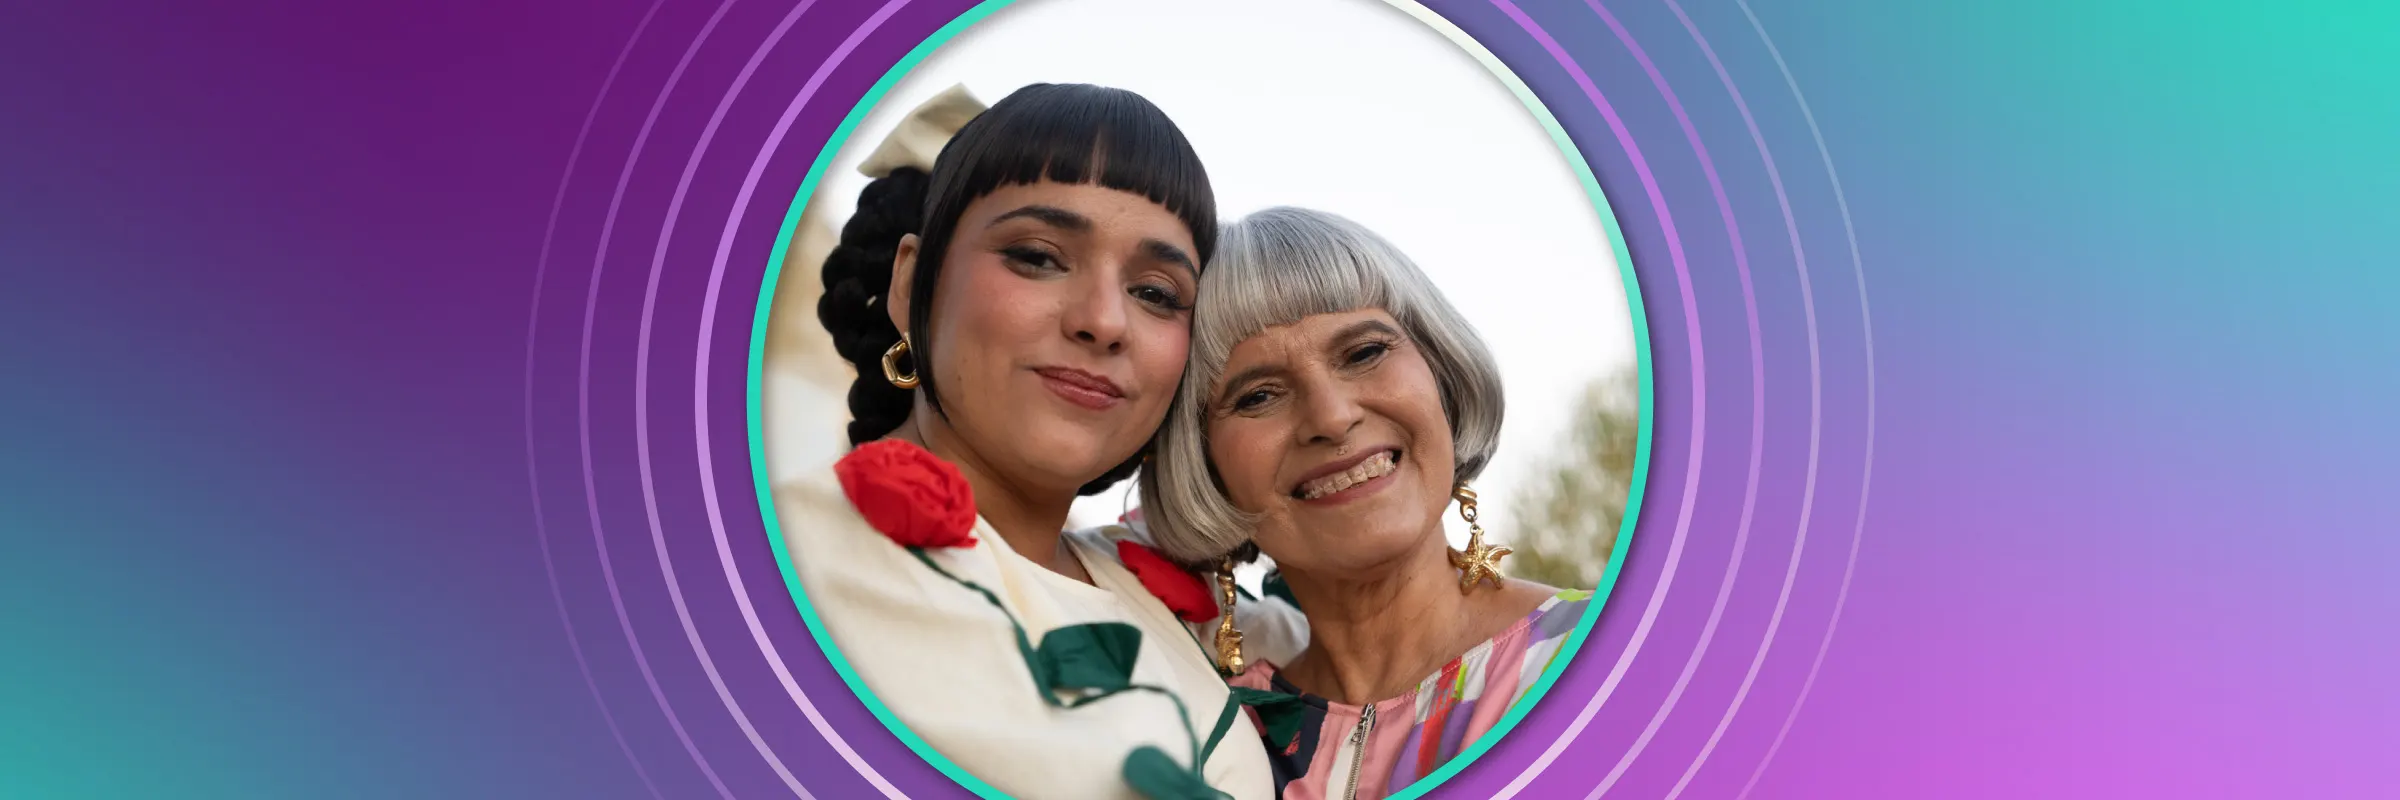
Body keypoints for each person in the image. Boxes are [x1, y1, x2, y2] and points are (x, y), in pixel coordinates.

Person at [780, 83, 1273, 800]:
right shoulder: (766, 568)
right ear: (911, 284)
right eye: (1038, 256)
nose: (1104, 321)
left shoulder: (1178, 602)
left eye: (1157, 293)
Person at [1136, 207, 1593, 800]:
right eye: (1258, 396)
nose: (1330, 416)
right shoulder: (1205, 740)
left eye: (1364, 353)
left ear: (1441, 376)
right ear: (1202, 465)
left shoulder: (1605, 664)